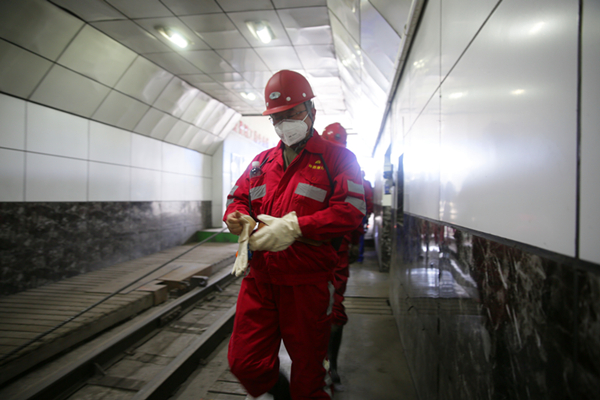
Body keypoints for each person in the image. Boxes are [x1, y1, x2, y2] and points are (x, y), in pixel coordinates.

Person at [224, 70, 366, 400]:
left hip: (307, 283)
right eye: (277, 117)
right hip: (260, 280)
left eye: (292, 113)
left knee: (309, 374)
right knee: (244, 363)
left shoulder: (338, 159)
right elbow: (237, 198)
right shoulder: (261, 163)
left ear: (311, 110)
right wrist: (237, 217)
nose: (284, 123)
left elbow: (352, 210)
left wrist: (296, 227)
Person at [321, 122, 364, 389]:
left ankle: (328, 365)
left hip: (333, 252)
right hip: (322, 251)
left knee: (330, 309)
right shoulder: (346, 165)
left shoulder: (341, 165)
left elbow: (357, 209)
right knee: (324, 309)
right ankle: (326, 366)